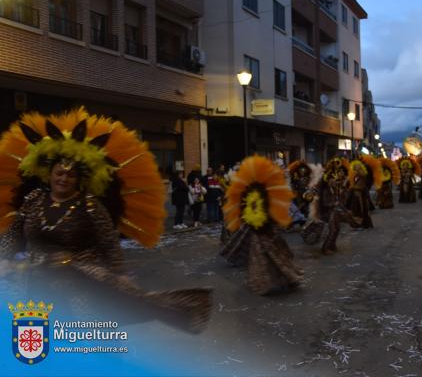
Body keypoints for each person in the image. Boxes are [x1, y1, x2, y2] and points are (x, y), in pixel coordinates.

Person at [0, 109, 211, 332]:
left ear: (79, 179)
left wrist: (118, 277)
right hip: (37, 284)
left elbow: (109, 245)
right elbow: (14, 233)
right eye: (59, 172)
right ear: (48, 173)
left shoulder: (90, 205)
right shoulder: (33, 199)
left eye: (70, 175)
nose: (64, 178)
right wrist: (3, 258)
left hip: (82, 285)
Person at [220, 156, 303, 295]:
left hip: (268, 229)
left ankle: (288, 278)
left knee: (276, 255)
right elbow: (242, 206)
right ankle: (263, 283)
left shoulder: (269, 189)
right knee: (259, 256)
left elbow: (276, 207)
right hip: (256, 229)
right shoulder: (248, 191)